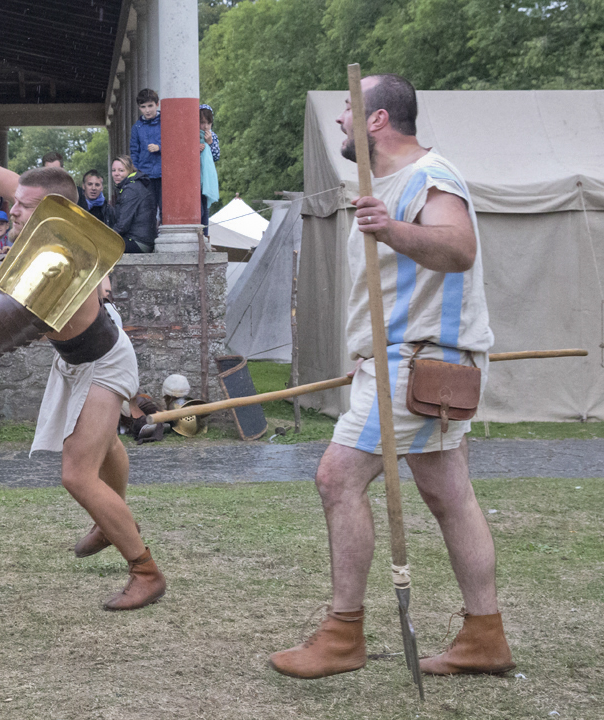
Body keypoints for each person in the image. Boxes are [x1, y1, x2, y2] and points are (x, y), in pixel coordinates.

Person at [269, 73, 512, 680]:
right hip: (411, 361)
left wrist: (392, 229)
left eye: (348, 113)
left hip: (417, 363)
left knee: (336, 478)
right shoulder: (387, 183)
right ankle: (485, 635)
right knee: (449, 496)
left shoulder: (429, 177)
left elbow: (458, 248)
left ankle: (342, 634)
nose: (339, 123)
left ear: (377, 120)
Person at [0, 120, 166, 611]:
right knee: (105, 445)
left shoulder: (59, 259)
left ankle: (145, 571)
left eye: (24, 207)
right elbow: (18, 186)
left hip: (103, 361)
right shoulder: (54, 218)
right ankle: (111, 518)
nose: (11, 208)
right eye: (15, 202)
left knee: (78, 474)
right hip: (78, 357)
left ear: (57, 213)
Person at [110, 156, 156, 253]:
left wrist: (106, 237)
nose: (116, 174)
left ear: (129, 171)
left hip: (139, 242)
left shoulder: (131, 189)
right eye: (113, 170)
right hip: (138, 239)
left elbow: (122, 225)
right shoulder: (131, 186)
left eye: (121, 170)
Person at [129, 88, 162, 213]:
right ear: (139, 108)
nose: (147, 110)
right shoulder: (137, 127)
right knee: (148, 210)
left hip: (163, 174)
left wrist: (160, 147)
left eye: (150, 106)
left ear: (157, 104)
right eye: (143, 107)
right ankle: (151, 233)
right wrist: (137, 170)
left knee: (166, 208)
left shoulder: (165, 122)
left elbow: (174, 143)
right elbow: (134, 150)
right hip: (145, 175)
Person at [199, 106, 219, 237]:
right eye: (202, 122)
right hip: (195, 176)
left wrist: (209, 144)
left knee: (205, 208)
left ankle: (205, 236)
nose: (205, 126)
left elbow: (216, 156)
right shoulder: (191, 135)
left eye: (208, 123)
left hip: (205, 177)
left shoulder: (213, 136)